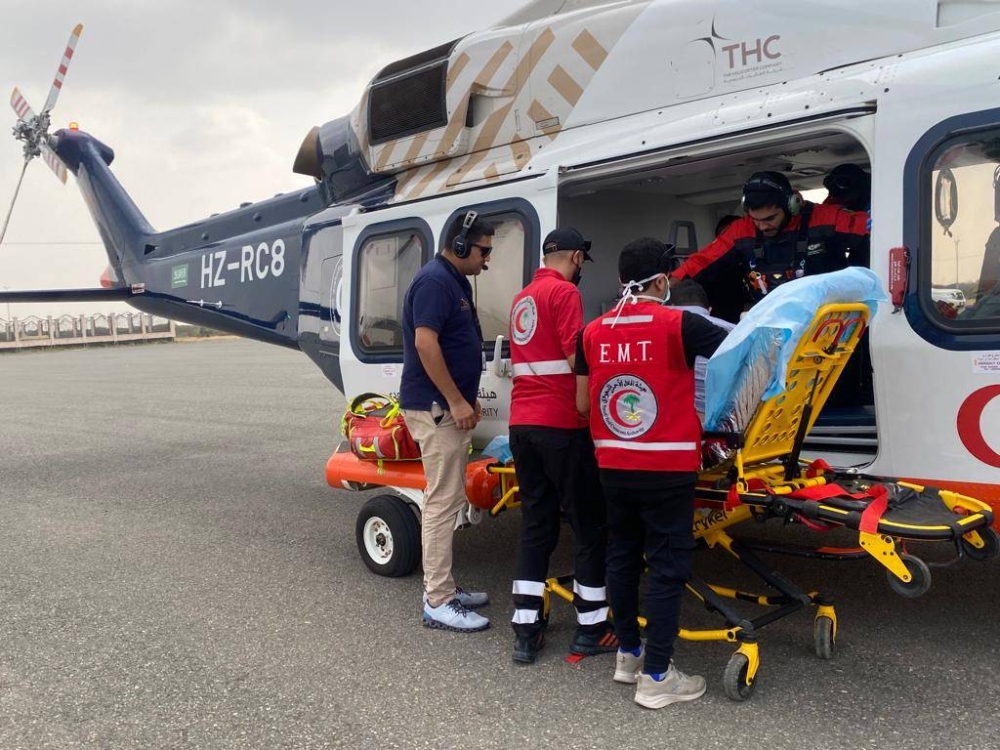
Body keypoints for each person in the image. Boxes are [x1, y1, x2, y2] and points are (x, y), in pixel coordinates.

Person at [575, 238, 729, 710]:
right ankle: (658, 676)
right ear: (662, 281)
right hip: (667, 467)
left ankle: (629, 654)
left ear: (622, 280)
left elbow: (582, 403)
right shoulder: (682, 324)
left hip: (613, 465)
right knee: (666, 566)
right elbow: (739, 354)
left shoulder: (592, 332)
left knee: (622, 556)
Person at [508, 227, 617, 664]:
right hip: (561, 425)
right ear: (576, 257)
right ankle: (592, 628)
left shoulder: (522, 298)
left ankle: (525, 629)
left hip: (522, 425)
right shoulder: (565, 294)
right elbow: (577, 360)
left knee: (536, 525)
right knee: (590, 527)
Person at [400, 211, 494, 633]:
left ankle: (445, 587)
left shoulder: (453, 281)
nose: (487, 259)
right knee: (441, 503)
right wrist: (455, 401)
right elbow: (426, 343)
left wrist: (466, 398)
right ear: (459, 245)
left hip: (447, 406)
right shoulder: (435, 282)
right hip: (437, 409)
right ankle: (437, 600)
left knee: (450, 499)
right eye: (483, 251)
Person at [671, 171, 870, 306]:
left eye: (770, 218)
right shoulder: (742, 229)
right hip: (772, 324)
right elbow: (702, 261)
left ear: (792, 204)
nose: (763, 226)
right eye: (755, 219)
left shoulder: (828, 219)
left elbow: (875, 229)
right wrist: (668, 286)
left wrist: (875, 224)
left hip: (832, 322)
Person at [666, 279, 735, 421]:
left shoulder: (654, 333)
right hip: (726, 422)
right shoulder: (735, 332)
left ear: (670, 306)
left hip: (673, 420)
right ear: (709, 310)